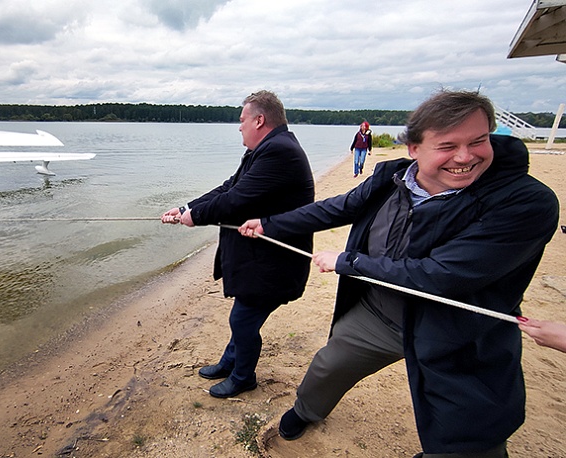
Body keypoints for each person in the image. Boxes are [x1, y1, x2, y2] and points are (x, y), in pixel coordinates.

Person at [238, 90, 559, 456]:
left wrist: (347, 262)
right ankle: (306, 410)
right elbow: (336, 208)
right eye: (447, 145)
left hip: (462, 332)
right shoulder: (392, 177)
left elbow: (440, 275)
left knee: (470, 434)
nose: (466, 157)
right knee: (329, 365)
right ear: (413, 149)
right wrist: (269, 224)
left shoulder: (527, 202)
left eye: (479, 141)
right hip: (383, 313)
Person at [161, 90, 315, 398]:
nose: (239, 126)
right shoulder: (268, 148)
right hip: (263, 257)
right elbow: (230, 186)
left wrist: (196, 216)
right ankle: (231, 363)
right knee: (244, 314)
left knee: (243, 319)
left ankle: (244, 376)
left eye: (242, 120)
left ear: (260, 120)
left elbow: (236, 200)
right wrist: (185, 209)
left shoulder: (279, 152)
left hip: (276, 261)